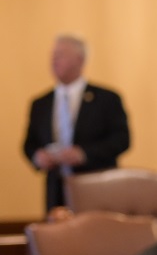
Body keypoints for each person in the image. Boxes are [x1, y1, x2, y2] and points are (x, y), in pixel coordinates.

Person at [23, 34, 131, 211]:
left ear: (79, 60)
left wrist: (84, 154)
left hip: (97, 188)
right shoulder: (40, 103)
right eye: (52, 55)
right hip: (57, 192)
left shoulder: (106, 99)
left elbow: (122, 139)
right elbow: (29, 144)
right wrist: (37, 157)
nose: (53, 60)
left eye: (60, 55)